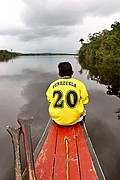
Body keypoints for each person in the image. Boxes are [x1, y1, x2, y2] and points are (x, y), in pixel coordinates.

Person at [46, 62, 89, 126]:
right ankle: (82, 125)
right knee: (84, 110)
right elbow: (85, 102)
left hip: (57, 119)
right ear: (72, 72)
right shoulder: (80, 84)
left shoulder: (52, 85)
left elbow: (49, 100)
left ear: (59, 74)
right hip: (75, 119)